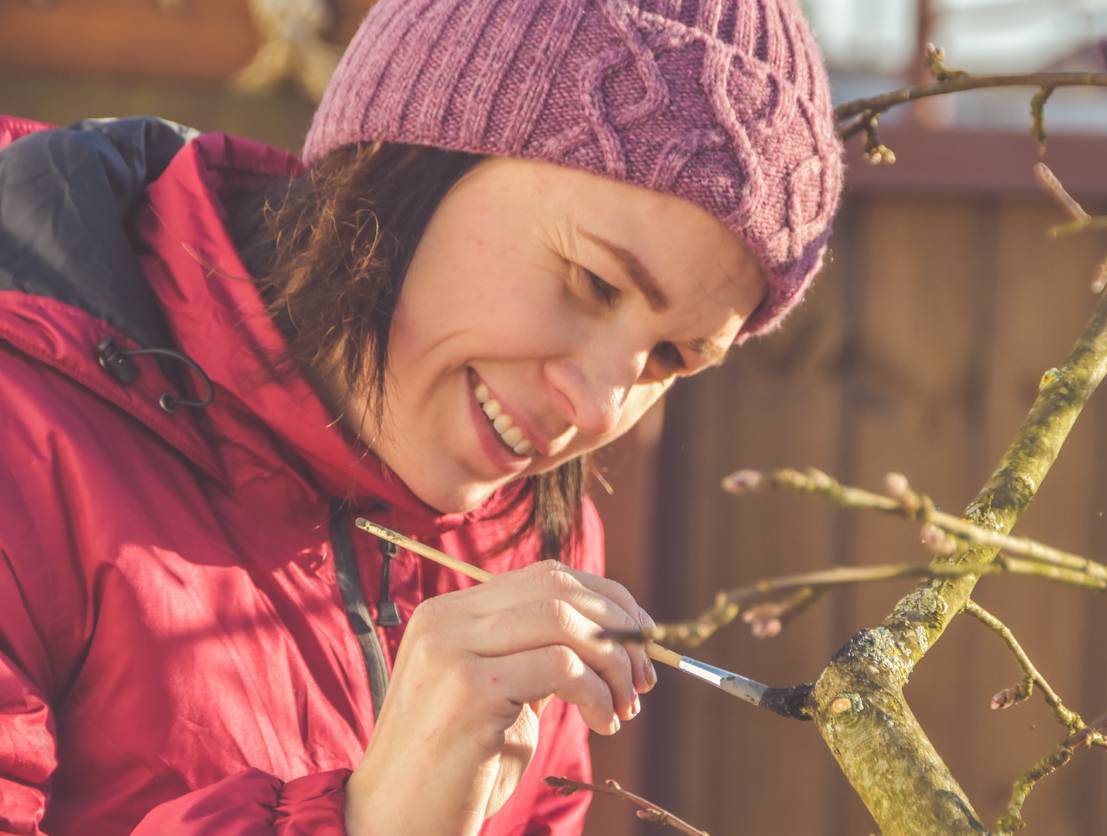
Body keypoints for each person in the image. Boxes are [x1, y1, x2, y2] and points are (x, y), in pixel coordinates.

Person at [0, 0, 841, 832]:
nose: (597, 405)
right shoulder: (24, 447)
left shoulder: (532, 552)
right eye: (594, 283)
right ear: (407, 158)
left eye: (670, 358)